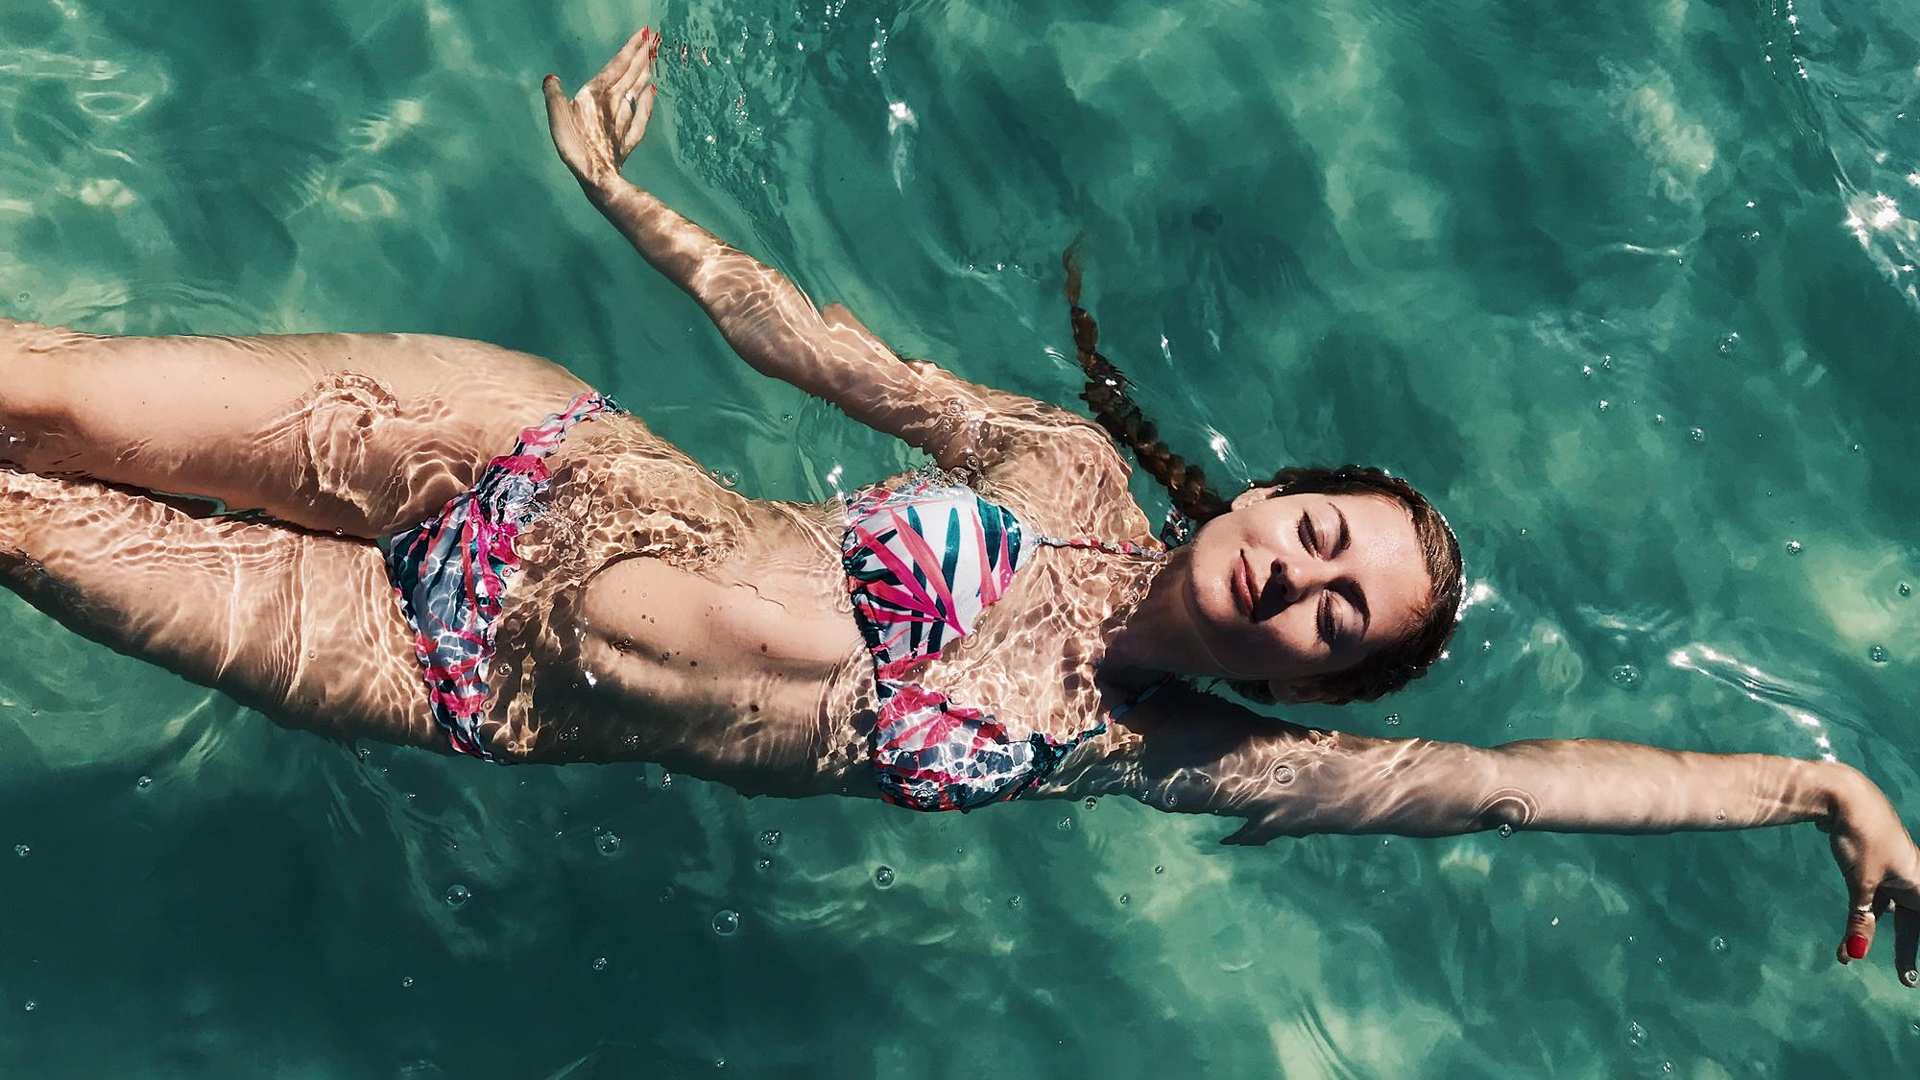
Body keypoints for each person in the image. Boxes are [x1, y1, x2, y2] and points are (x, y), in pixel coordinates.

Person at [0, 28, 1914, 981]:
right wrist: (616, 192)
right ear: (1273, 497)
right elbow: (826, 352)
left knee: (17, 518)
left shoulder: (1156, 749)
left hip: (450, 679)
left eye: (1347, 620)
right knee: (48, 388)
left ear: (1318, 688)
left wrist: (1811, 788)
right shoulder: (1063, 468)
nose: (1309, 580)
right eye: (1327, 534)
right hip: (508, 456)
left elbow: (1509, 782)